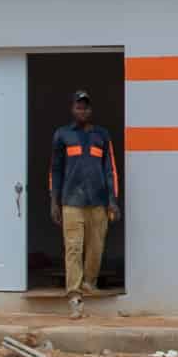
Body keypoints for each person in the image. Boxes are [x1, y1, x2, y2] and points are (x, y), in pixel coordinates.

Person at [48, 89, 121, 314]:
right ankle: (74, 296)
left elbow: (110, 170)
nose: (82, 110)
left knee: (96, 247)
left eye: (86, 107)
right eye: (79, 107)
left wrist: (113, 200)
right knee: (73, 247)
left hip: (98, 201)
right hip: (71, 201)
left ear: (91, 110)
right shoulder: (62, 135)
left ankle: (89, 283)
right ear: (73, 109)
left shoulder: (102, 135)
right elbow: (55, 170)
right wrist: (54, 201)